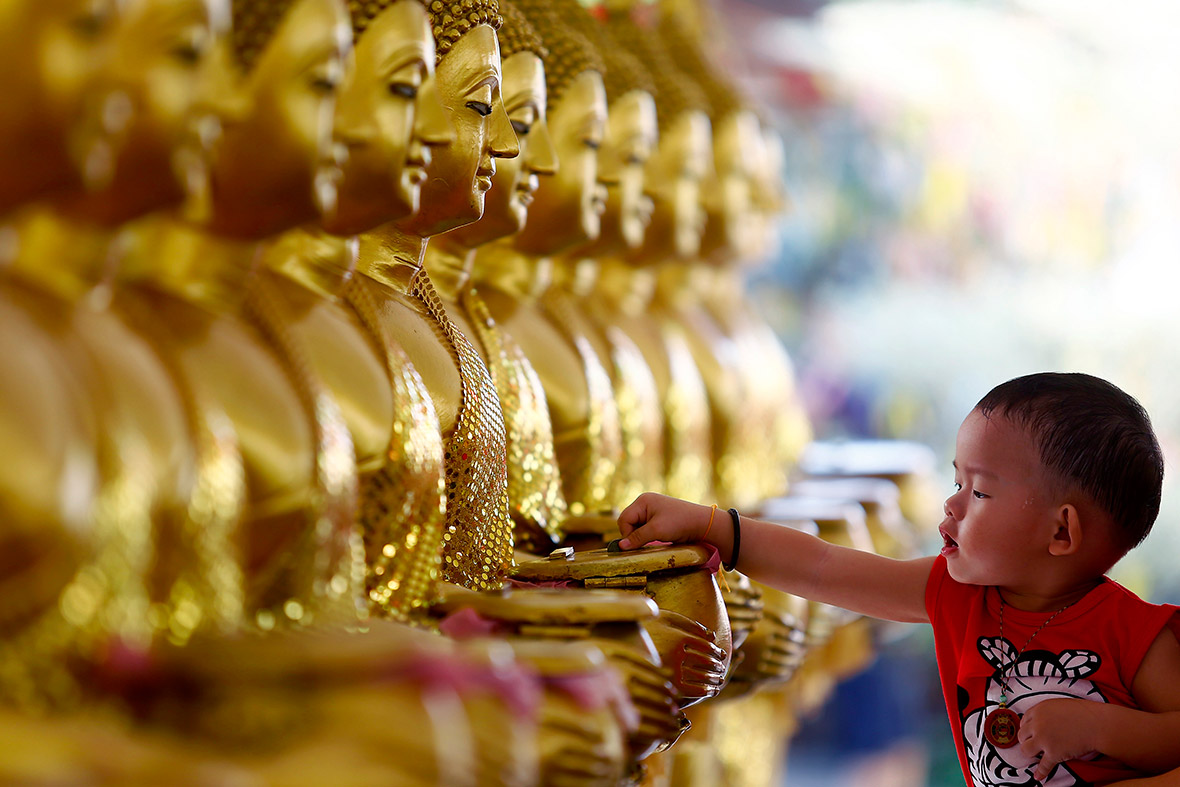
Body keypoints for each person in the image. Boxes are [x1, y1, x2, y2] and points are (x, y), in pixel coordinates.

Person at [617, 372, 1180, 786]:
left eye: (979, 492)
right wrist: (715, 526)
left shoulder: (1138, 638)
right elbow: (824, 566)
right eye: (957, 481)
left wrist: (1100, 729)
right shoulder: (956, 595)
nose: (952, 505)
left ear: (1061, 533)